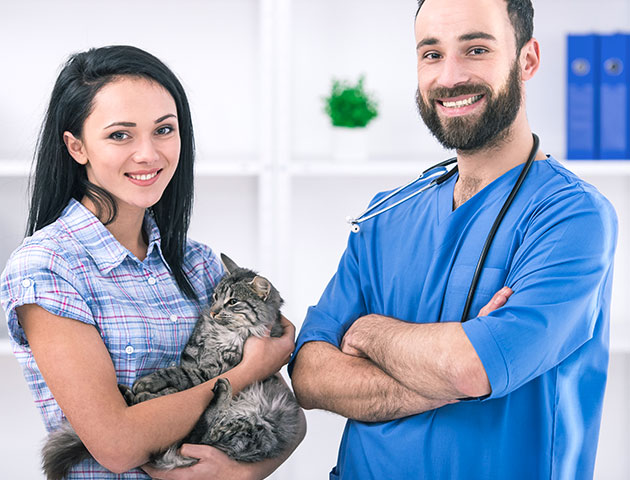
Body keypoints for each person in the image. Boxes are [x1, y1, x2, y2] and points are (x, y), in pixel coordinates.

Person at [289, 0, 617, 479]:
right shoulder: (386, 213)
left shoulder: (571, 216)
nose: (449, 77)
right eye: (431, 54)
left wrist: (366, 332)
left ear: (527, 60)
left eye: (476, 49)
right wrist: (446, 365)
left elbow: (471, 368)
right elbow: (310, 375)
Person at [0, 45, 305, 479]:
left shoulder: (200, 265)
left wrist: (238, 474)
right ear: (76, 146)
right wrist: (251, 369)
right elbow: (118, 445)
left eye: (164, 130)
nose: (148, 154)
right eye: (120, 135)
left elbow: (288, 415)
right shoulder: (47, 267)